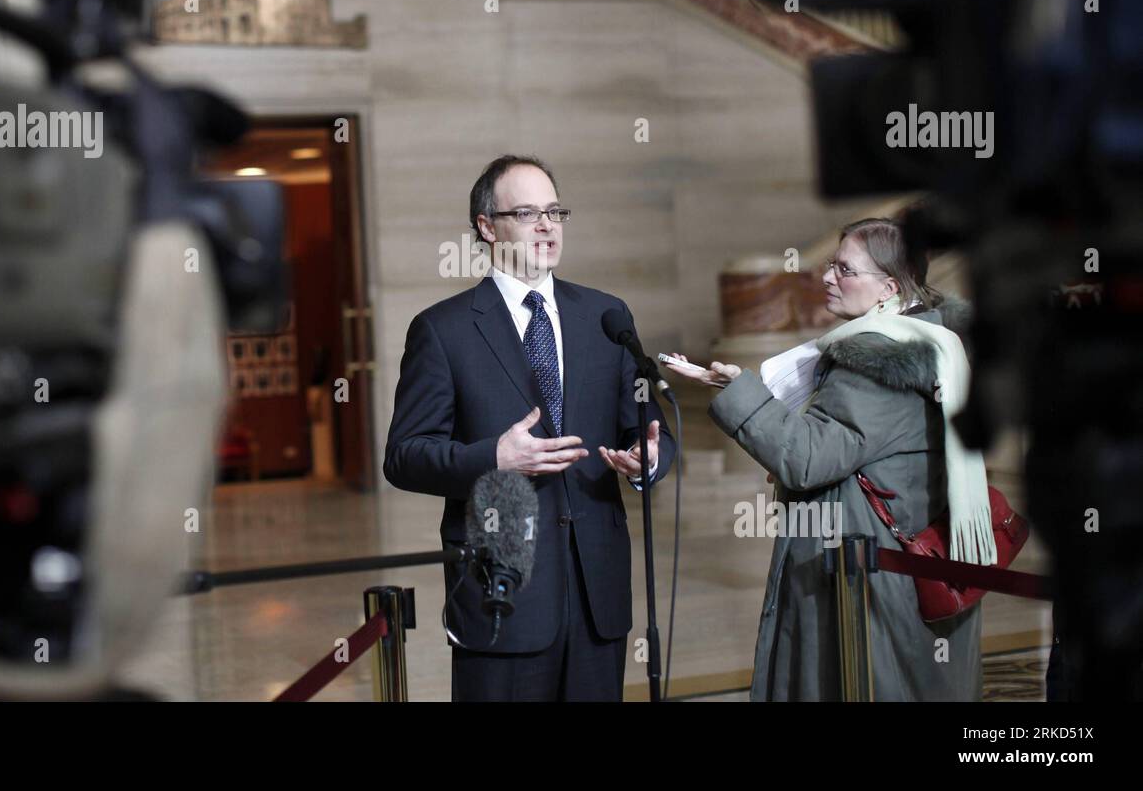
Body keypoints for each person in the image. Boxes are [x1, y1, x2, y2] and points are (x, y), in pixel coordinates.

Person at [384, 154, 676, 701]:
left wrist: (648, 457)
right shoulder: (442, 330)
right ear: (487, 227)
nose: (547, 226)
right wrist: (494, 458)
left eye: (555, 211)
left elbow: (649, 427)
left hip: (598, 596)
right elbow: (404, 456)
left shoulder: (606, 316)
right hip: (503, 595)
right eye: (527, 213)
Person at [667, 217, 986, 700]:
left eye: (845, 269)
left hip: (867, 586)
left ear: (889, 287)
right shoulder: (926, 338)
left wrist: (741, 396)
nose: (827, 278)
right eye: (830, 265)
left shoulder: (879, 361)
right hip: (897, 572)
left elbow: (809, 457)